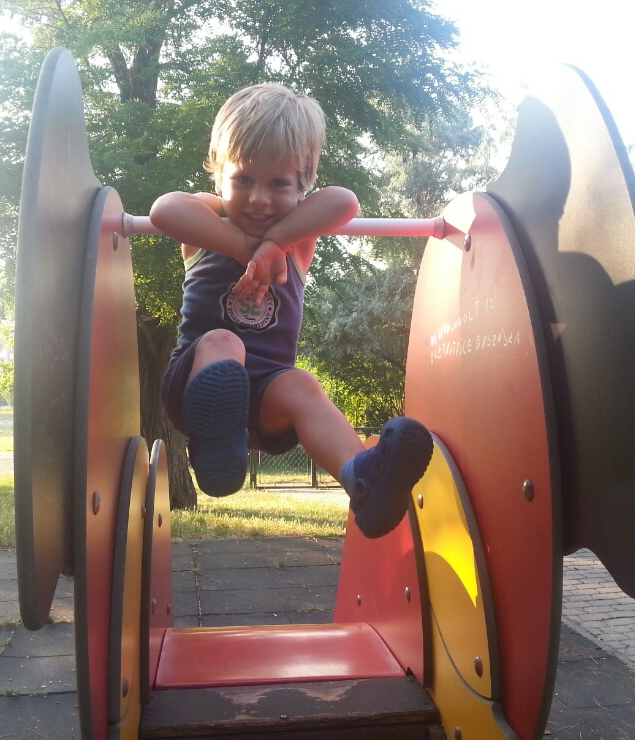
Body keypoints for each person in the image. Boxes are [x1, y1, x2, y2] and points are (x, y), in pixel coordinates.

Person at [150, 83, 433, 539]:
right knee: (223, 341)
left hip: (268, 398)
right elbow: (165, 210)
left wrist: (275, 244)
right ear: (219, 177)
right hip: (193, 387)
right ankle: (215, 443)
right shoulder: (209, 223)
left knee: (302, 383)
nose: (259, 198)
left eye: (278, 183)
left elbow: (344, 201)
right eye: (243, 179)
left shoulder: (297, 237)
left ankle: (363, 481)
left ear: (303, 186)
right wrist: (248, 248)